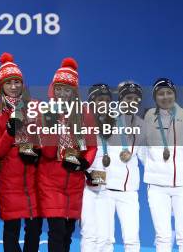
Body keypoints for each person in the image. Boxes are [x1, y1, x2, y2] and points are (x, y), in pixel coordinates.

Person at [37, 58, 96, 252]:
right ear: (53, 88)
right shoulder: (45, 112)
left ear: (74, 92)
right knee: (56, 230)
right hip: (50, 180)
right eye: (59, 88)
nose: (62, 93)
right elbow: (46, 152)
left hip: (74, 181)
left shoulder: (84, 114)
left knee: (68, 233)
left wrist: (83, 164)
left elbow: (92, 146)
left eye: (67, 89)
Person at [0, 53, 42, 252]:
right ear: (1, 86)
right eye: (9, 82)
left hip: (34, 176)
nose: (13, 86)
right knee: (12, 229)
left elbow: (44, 138)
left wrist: (37, 150)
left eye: (17, 82)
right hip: (10, 179)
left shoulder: (35, 106)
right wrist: (10, 131)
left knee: (34, 228)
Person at [141, 79, 183, 252]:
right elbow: (141, 146)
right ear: (155, 97)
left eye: (168, 92)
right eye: (160, 93)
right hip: (156, 185)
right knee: (162, 236)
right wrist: (152, 163)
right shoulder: (148, 117)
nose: (165, 97)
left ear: (175, 94)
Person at [102, 81, 143, 252]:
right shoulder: (106, 118)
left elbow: (146, 155)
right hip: (106, 190)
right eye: (127, 98)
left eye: (135, 99)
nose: (131, 102)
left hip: (129, 192)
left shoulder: (142, 124)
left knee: (132, 239)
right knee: (105, 239)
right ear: (120, 98)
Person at [80, 83, 114, 252]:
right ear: (92, 100)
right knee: (90, 233)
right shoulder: (80, 121)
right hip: (86, 186)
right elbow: (77, 151)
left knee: (107, 237)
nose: (104, 103)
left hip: (107, 186)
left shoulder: (113, 122)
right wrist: (86, 173)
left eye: (108, 100)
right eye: (100, 99)